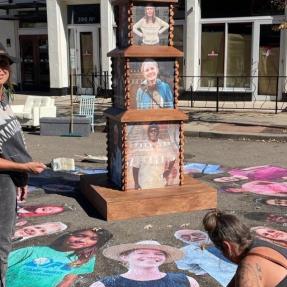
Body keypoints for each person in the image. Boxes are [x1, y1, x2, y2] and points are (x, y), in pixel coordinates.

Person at [0, 43, 46, 287]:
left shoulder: (3, 98)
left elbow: (13, 145)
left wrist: (22, 177)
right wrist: (23, 169)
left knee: (5, 241)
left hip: (9, 179)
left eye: (4, 64)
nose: (0, 69)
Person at [203, 210, 287, 287]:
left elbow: (245, 275)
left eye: (221, 251)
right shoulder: (261, 244)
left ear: (227, 247)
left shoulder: (248, 271)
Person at [7, 227, 112, 287]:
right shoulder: (31, 251)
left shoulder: (85, 259)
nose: (82, 240)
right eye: (79, 235)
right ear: (68, 235)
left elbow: (67, 281)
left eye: (92, 239)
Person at [89, 240, 199, 287]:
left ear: (165, 258)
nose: (151, 256)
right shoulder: (106, 284)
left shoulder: (186, 281)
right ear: (124, 256)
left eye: (158, 253)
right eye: (142, 252)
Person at [132, 123, 177, 189]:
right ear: (148, 133)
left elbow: (173, 158)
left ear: (158, 132)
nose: (153, 133)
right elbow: (135, 167)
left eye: (155, 130)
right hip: (144, 184)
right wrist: (136, 183)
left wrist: (168, 170)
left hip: (160, 183)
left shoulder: (164, 145)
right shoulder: (141, 146)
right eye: (151, 131)